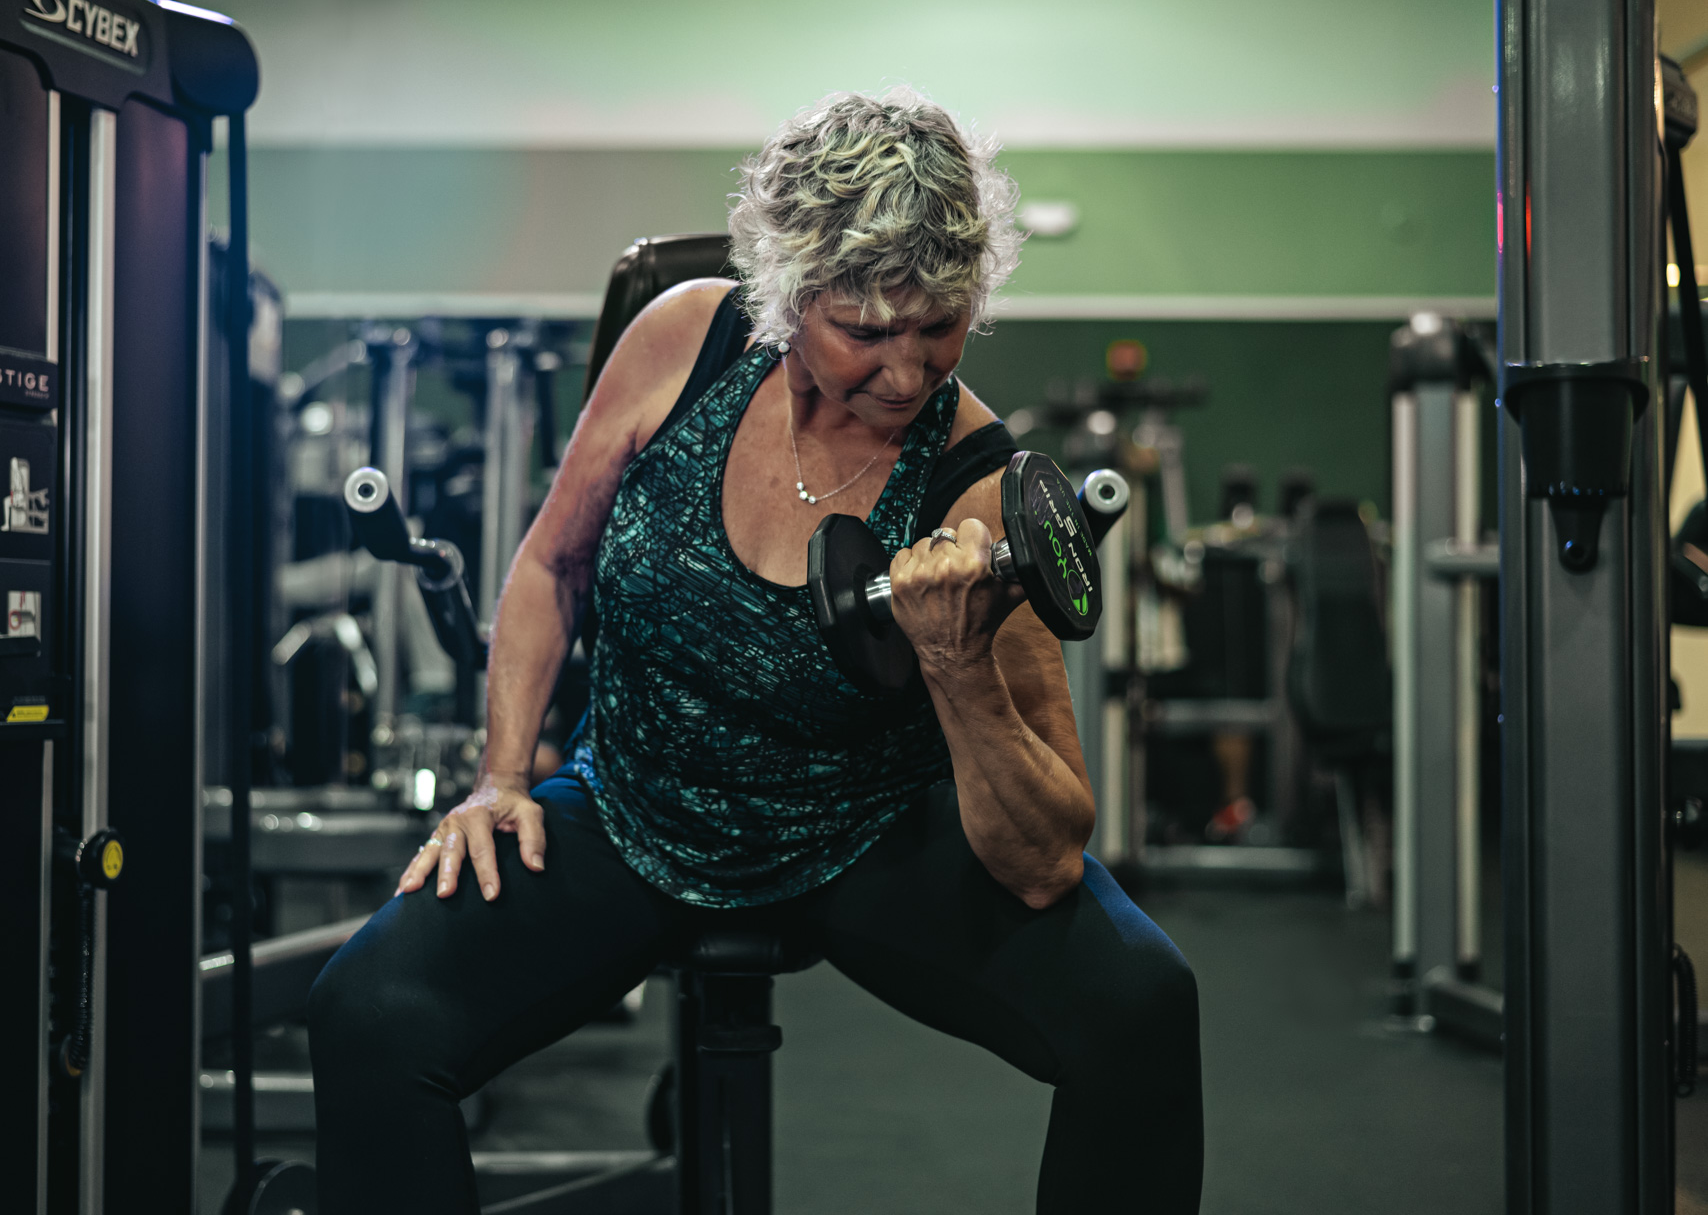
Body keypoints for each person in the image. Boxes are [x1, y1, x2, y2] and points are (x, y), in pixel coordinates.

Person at [309, 88, 1203, 1213]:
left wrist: (956, 665)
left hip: (860, 835)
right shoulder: (685, 340)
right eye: (866, 330)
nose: (907, 369)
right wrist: (501, 776)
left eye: (940, 325)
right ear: (789, 293)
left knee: (1144, 1007)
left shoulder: (973, 482)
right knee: (368, 1013)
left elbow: (1042, 856)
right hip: (633, 804)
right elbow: (550, 566)